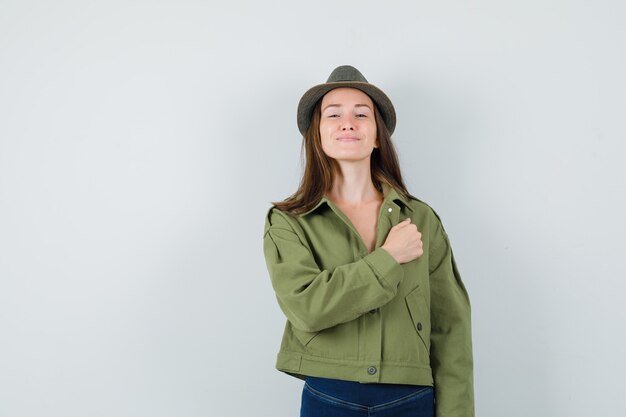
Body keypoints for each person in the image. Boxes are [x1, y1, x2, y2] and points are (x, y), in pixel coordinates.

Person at [263, 65, 474, 417]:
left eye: (361, 114)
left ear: (377, 136)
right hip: (329, 395)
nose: (348, 122)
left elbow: (451, 328)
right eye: (334, 115)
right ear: (317, 135)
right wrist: (388, 258)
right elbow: (306, 308)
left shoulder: (420, 219)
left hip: (411, 399)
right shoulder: (289, 221)